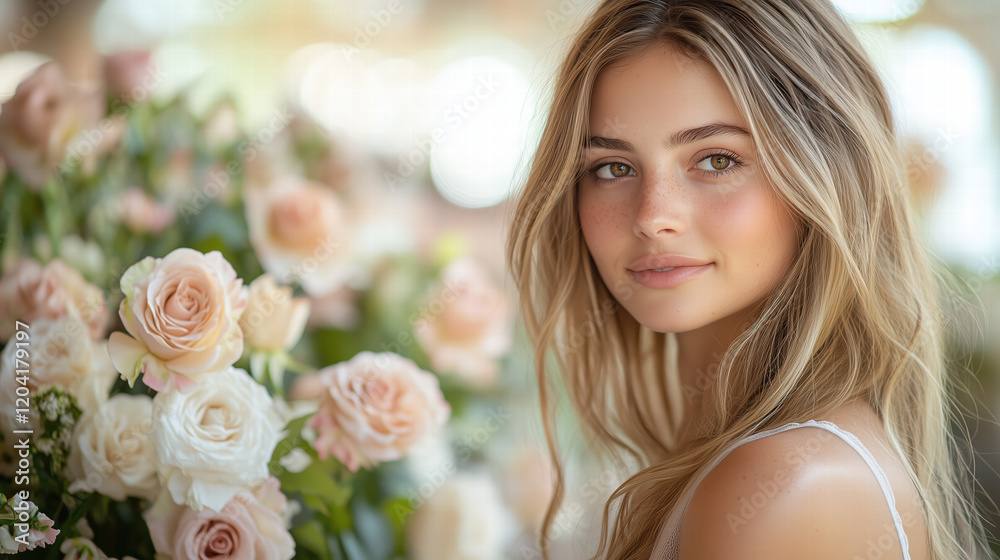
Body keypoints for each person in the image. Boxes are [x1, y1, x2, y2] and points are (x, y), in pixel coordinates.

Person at [503, 1, 995, 559]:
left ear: (828, 175)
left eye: (716, 160)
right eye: (613, 167)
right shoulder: (747, 457)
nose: (651, 216)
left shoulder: (781, 486)